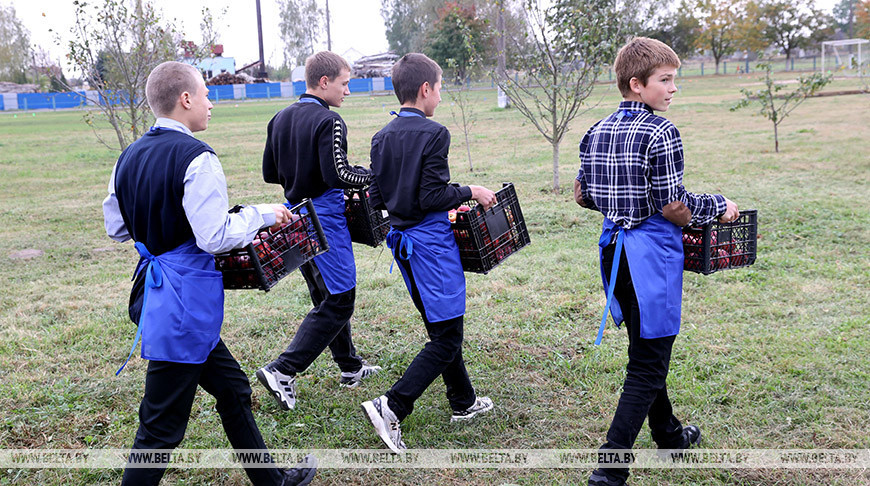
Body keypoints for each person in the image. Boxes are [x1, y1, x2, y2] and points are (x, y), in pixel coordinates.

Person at [102, 61, 316, 485]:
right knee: (159, 431)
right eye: (205, 94)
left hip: (158, 293)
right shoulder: (197, 157)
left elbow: (117, 228)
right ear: (185, 99)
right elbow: (214, 236)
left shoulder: (129, 154)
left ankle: (271, 481)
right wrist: (260, 214)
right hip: (181, 307)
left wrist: (158, 226)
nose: (210, 102)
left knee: (234, 390)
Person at [574, 37, 740, 486]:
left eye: (674, 80)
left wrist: (621, 205)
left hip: (613, 251)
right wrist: (717, 204)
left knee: (644, 348)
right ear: (636, 84)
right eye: (665, 80)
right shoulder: (662, 132)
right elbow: (674, 207)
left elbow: (583, 194)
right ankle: (609, 472)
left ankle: (668, 435)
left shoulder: (595, 131)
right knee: (649, 361)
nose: (672, 89)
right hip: (648, 257)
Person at [360, 53, 498, 453]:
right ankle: (392, 405)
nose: (440, 96)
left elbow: (375, 196)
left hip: (403, 245)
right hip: (431, 246)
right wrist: (471, 191)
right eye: (439, 89)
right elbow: (432, 195)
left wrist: (404, 211)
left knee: (441, 329)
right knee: (447, 337)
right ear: (425, 90)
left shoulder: (381, 136)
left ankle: (464, 401)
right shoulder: (435, 133)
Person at [258, 51, 380, 411]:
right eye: (344, 83)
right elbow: (339, 175)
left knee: (325, 296)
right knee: (341, 300)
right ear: (324, 82)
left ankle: (350, 367)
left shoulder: (279, 118)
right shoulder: (330, 121)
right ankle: (283, 370)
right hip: (326, 216)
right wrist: (374, 176)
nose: (348, 91)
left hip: (296, 216)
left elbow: (269, 173)